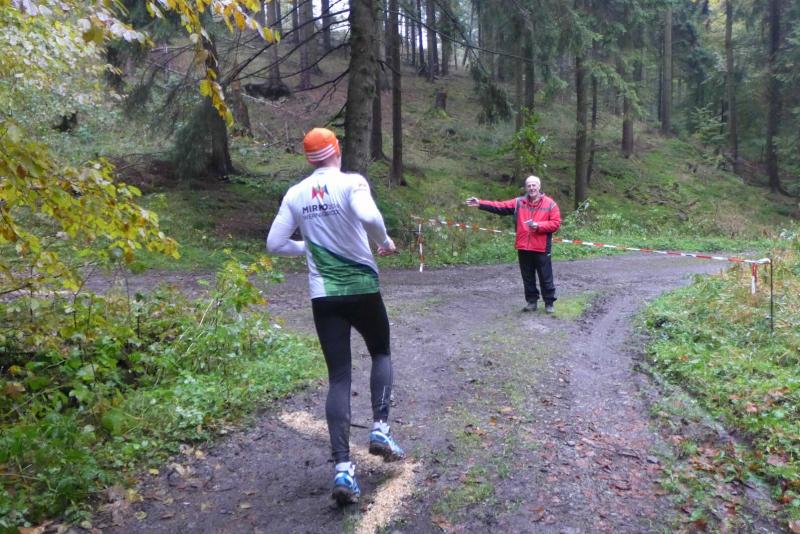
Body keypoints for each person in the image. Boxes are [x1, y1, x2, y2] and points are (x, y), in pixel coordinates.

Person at [266, 128, 404, 506]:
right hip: (362, 289)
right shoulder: (351, 182)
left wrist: (307, 247)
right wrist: (384, 242)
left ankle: (343, 468)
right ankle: (380, 428)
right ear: (337, 152)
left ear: (308, 158)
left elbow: (274, 243)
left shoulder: (296, 194)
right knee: (380, 353)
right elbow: (369, 215)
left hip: (324, 296)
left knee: (339, 377)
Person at [465, 175, 561, 313]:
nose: (532, 188)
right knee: (527, 277)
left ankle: (549, 303)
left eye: (534, 185)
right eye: (529, 185)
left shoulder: (550, 204)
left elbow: (556, 223)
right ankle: (531, 302)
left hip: (541, 247)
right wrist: (480, 203)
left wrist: (539, 226)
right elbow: (500, 206)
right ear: (526, 188)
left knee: (545, 276)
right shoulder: (518, 202)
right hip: (523, 247)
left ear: (539, 186)